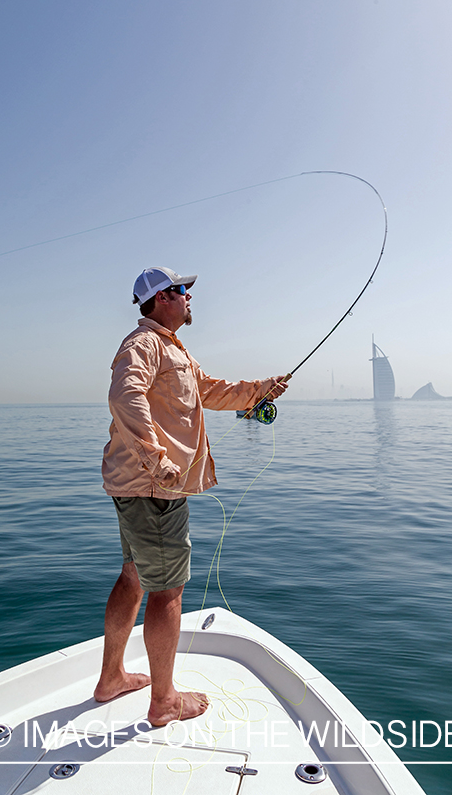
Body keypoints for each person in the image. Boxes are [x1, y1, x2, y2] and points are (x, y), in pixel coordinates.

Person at [93, 266, 288, 726]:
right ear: (161, 298)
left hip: (139, 485)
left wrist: (259, 390)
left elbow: (209, 391)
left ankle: (112, 678)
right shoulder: (142, 344)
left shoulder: (172, 349)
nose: (189, 298)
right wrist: (156, 456)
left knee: (133, 577)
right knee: (167, 591)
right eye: (182, 290)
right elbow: (125, 396)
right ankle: (164, 701)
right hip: (154, 487)